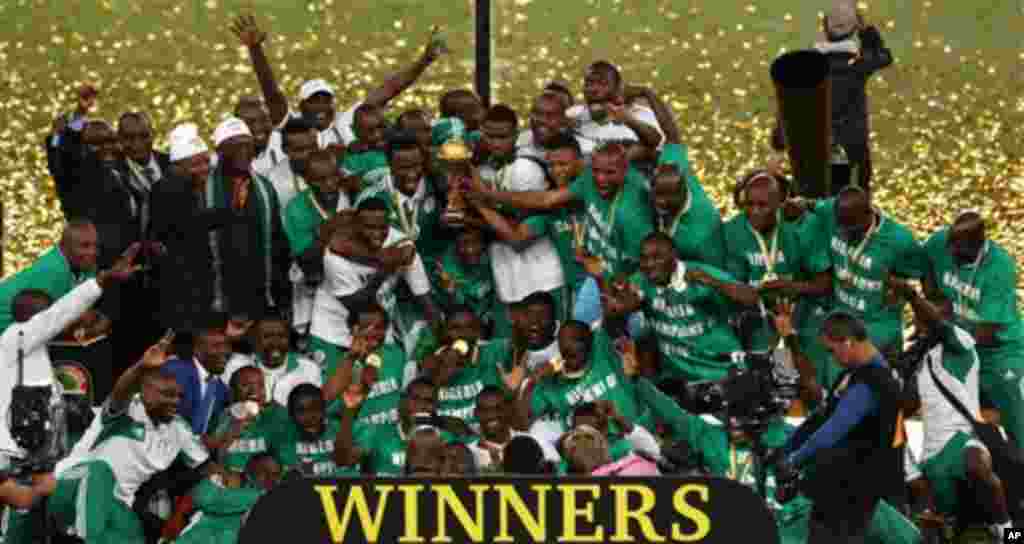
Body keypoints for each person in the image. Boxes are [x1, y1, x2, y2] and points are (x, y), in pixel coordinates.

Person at [47, 335, 216, 544]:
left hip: (116, 503)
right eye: (167, 394)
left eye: (179, 396)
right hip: (72, 485)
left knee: (132, 534)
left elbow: (205, 466)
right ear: (144, 392)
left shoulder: (178, 428)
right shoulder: (128, 408)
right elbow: (121, 391)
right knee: (100, 470)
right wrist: (141, 367)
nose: (175, 401)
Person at [887, 277, 1013, 538]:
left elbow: (938, 324)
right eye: (923, 316)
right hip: (933, 455)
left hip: (965, 437)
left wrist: (912, 297)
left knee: (976, 464)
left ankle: (1009, 532)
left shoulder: (962, 343)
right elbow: (907, 406)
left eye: (932, 314)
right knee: (940, 526)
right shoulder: (921, 360)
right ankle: (958, 521)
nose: (926, 318)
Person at [779, 311, 905, 542]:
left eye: (831, 350)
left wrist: (794, 460)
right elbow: (820, 418)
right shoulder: (853, 375)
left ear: (847, 342)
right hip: (840, 488)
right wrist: (786, 449)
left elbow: (832, 431)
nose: (831, 357)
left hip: (856, 493)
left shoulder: (873, 382)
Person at [233, 14, 443, 150]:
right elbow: (272, 93)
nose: (321, 106)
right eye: (314, 101)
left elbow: (389, 89)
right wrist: (255, 49)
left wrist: (424, 61)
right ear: (301, 106)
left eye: (326, 100)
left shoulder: (347, 121)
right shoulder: (291, 125)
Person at [470, 142, 653, 284]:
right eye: (596, 171)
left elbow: (646, 268)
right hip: (588, 281)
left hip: (620, 283)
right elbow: (545, 201)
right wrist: (486, 197)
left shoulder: (631, 213)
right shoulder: (585, 183)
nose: (600, 178)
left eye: (609, 172)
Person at [923, 211, 1024, 448]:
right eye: (951, 247)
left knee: (1015, 413)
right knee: (949, 410)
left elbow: (986, 331)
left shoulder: (1000, 266)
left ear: (978, 245)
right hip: (958, 342)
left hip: (999, 349)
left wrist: (942, 331)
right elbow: (923, 262)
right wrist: (934, 296)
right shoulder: (940, 243)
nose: (952, 254)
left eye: (960, 251)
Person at [604, 232, 756, 383]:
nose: (649, 264)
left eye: (657, 257)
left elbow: (751, 297)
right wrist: (621, 304)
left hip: (722, 370)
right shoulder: (640, 281)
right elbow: (613, 314)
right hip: (678, 377)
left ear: (674, 256)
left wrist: (714, 283)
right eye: (644, 258)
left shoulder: (699, 274)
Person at [308, 198, 435, 370]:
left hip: (377, 332)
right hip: (333, 333)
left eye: (382, 227)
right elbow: (360, 306)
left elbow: (424, 298)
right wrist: (384, 268)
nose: (377, 233)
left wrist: (440, 335)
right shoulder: (334, 256)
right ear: (355, 225)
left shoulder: (402, 245)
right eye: (369, 227)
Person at [722, 170, 832, 352]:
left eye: (762, 205)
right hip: (759, 317)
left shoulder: (804, 226)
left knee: (804, 367)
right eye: (749, 204)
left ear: (779, 204)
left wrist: (792, 287)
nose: (754, 212)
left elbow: (825, 283)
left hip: (802, 314)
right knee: (769, 370)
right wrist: (753, 293)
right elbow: (734, 284)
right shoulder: (732, 231)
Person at [203, 117, 292, 321]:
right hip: (216, 300)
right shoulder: (202, 188)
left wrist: (282, 296)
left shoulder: (264, 187)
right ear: (219, 151)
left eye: (247, 145)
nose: (243, 151)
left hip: (261, 297)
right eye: (234, 146)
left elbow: (278, 243)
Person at [813, 0, 893, 191]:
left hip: (822, 145)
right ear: (854, 28)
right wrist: (866, 31)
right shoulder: (859, 65)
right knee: (855, 200)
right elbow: (884, 56)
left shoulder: (811, 65)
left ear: (824, 27)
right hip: (854, 146)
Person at [419, 308, 521, 427]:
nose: (463, 333)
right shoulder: (431, 362)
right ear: (444, 332)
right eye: (455, 328)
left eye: (470, 327)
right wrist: (440, 376)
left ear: (478, 331)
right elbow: (421, 410)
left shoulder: (496, 351)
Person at [0, 219, 99, 334]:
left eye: (95, 246)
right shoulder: (53, 271)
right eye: (84, 246)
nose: (93, 252)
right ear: (65, 246)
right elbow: (49, 323)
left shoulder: (85, 265)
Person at [335, 377, 449, 476]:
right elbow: (344, 460)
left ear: (436, 407)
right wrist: (349, 411)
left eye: (428, 401)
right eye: (415, 398)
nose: (421, 405)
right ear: (402, 401)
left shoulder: (445, 440)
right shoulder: (377, 434)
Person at [321, 302, 413, 425]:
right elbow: (327, 404)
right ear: (353, 329)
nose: (374, 332)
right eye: (367, 327)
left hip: (393, 438)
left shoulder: (396, 354)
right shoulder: (340, 363)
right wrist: (354, 361)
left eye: (379, 327)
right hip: (360, 438)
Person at [566, 61, 664, 160]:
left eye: (602, 84)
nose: (593, 89)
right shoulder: (574, 114)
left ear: (618, 88)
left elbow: (656, 143)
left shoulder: (642, 114)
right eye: (589, 83)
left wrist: (629, 120)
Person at [173, 453, 279, 544]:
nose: (273, 479)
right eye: (268, 473)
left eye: (275, 475)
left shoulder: (258, 496)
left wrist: (225, 477)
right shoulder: (221, 479)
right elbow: (200, 498)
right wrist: (224, 477)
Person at [224, 315, 321, 407]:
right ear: (255, 340)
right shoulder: (238, 366)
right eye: (267, 336)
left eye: (282, 336)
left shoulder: (309, 369)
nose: (275, 343)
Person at [207, 365, 288, 475]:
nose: (254, 390)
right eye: (245, 385)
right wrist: (232, 433)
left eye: (260, 385)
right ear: (232, 392)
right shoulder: (221, 417)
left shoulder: (276, 416)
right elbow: (215, 460)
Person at [466, 386, 560, 472]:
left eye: (498, 408)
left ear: (508, 410)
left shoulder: (535, 441)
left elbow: (557, 474)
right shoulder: (467, 453)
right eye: (485, 410)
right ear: (475, 413)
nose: (492, 415)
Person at [163, 321, 233, 436]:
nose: (224, 351)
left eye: (226, 345)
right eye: (216, 346)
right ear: (197, 349)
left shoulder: (221, 389)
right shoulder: (175, 370)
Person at [269, 384, 353, 477]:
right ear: (291, 412)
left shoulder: (338, 428)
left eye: (315, 408)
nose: (309, 414)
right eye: (301, 410)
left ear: (324, 407)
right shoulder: (283, 436)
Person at [433, 228, 499, 334]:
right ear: (455, 245)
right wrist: (451, 292)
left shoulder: (494, 257)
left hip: (490, 319)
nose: (470, 249)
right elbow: (454, 309)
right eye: (463, 244)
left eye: (476, 242)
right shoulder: (446, 268)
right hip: (463, 324)